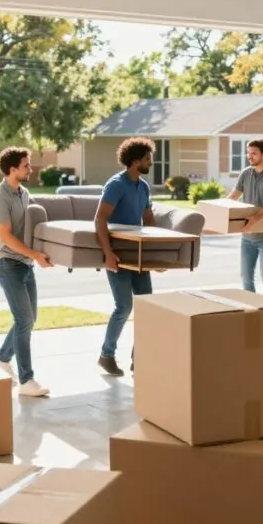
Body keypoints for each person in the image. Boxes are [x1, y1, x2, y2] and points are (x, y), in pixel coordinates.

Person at [0, 146, 54, 398]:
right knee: (24, 319)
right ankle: (27, 380)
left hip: (24, 265)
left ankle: (3, 358)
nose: (31, 168)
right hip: (7, 265)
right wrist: (34, 254)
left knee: (29, 318)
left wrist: (41, 253)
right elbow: (4, 237)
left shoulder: (23, 192)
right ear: (12, 169)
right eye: (26, 165)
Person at [94, 137, 158, 376]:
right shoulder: (116, 184)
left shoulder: (143, 186)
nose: (151, 163)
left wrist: (156, 256)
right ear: (134, 161)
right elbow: (100, 219)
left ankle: (138, 357)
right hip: (118, 255)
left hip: (139, 255)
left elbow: (149, 220)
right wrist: (108, 253)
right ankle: (106, 355)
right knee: (124, 307)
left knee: (146, 307)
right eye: (147, 159)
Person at [227, 139, 263, 298]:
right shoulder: (246, 173)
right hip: (247, 236)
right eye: (248, 153)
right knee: (246, 278)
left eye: (254, 153)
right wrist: (220, 210)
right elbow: (233, 196)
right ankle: (251, 310)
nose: (249, 157)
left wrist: (252, 221)